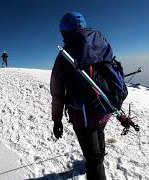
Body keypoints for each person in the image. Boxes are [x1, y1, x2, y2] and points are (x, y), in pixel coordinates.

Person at [50, 12, 119, 180]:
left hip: (82, 115)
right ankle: (100, 155)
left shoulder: (63, 58)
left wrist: (57, 120)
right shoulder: (101, 44)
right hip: (104, 106)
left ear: (64, 32)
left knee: (92, 159)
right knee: (100, 130)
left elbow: (57, 93)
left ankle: (97, 162)